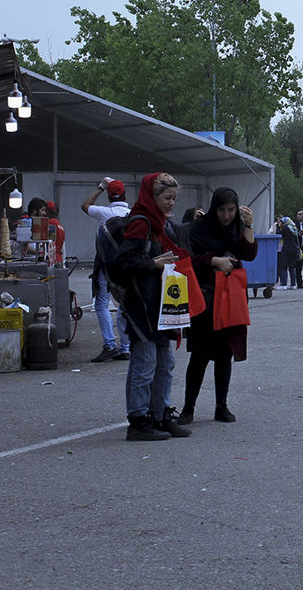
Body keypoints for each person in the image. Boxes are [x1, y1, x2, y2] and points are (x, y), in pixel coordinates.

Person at [114, 172, 192, 441]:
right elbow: (123, 261)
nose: (171, 203)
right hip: (142, 304)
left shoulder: (158, 224)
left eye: (174, 198)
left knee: (165, 362)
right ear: (153, 196)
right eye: (167, 198)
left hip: (159, 304)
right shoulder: (141, 223)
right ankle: (138, 421)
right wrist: (154, 264)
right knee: (145, 363)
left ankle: (159, 415)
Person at [179, 187, 257, 426]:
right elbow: (189, 257)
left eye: (231, 210)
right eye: (222, 210)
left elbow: (249, 253)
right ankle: (188, 408)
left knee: (225, 353)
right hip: (205, 295)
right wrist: (214, 260)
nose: (226, 215)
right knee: (200, 354)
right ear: (215, 208)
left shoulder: (235, 226)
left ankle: (221, 406)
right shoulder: (201, 227)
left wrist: (249, 226)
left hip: (230, 295)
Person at [82, 178, 132, 363]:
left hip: (105, 267)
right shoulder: (131, 213)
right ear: (125, 194)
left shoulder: (104, 212)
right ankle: (126, 346)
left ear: (109, 196)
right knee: (124, 305)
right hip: (126, 267)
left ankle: (109, 345)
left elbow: (85, 205)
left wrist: (100, 187)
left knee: (101, 304)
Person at [275, 215, 300, 290]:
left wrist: (278, 226)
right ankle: (293, 284)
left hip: (286, 249)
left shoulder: (286, 228)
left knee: (284, 266)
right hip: (294, 249)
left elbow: (278, 233)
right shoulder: (294, 228)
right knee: (292, 267)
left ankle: (284, 284)